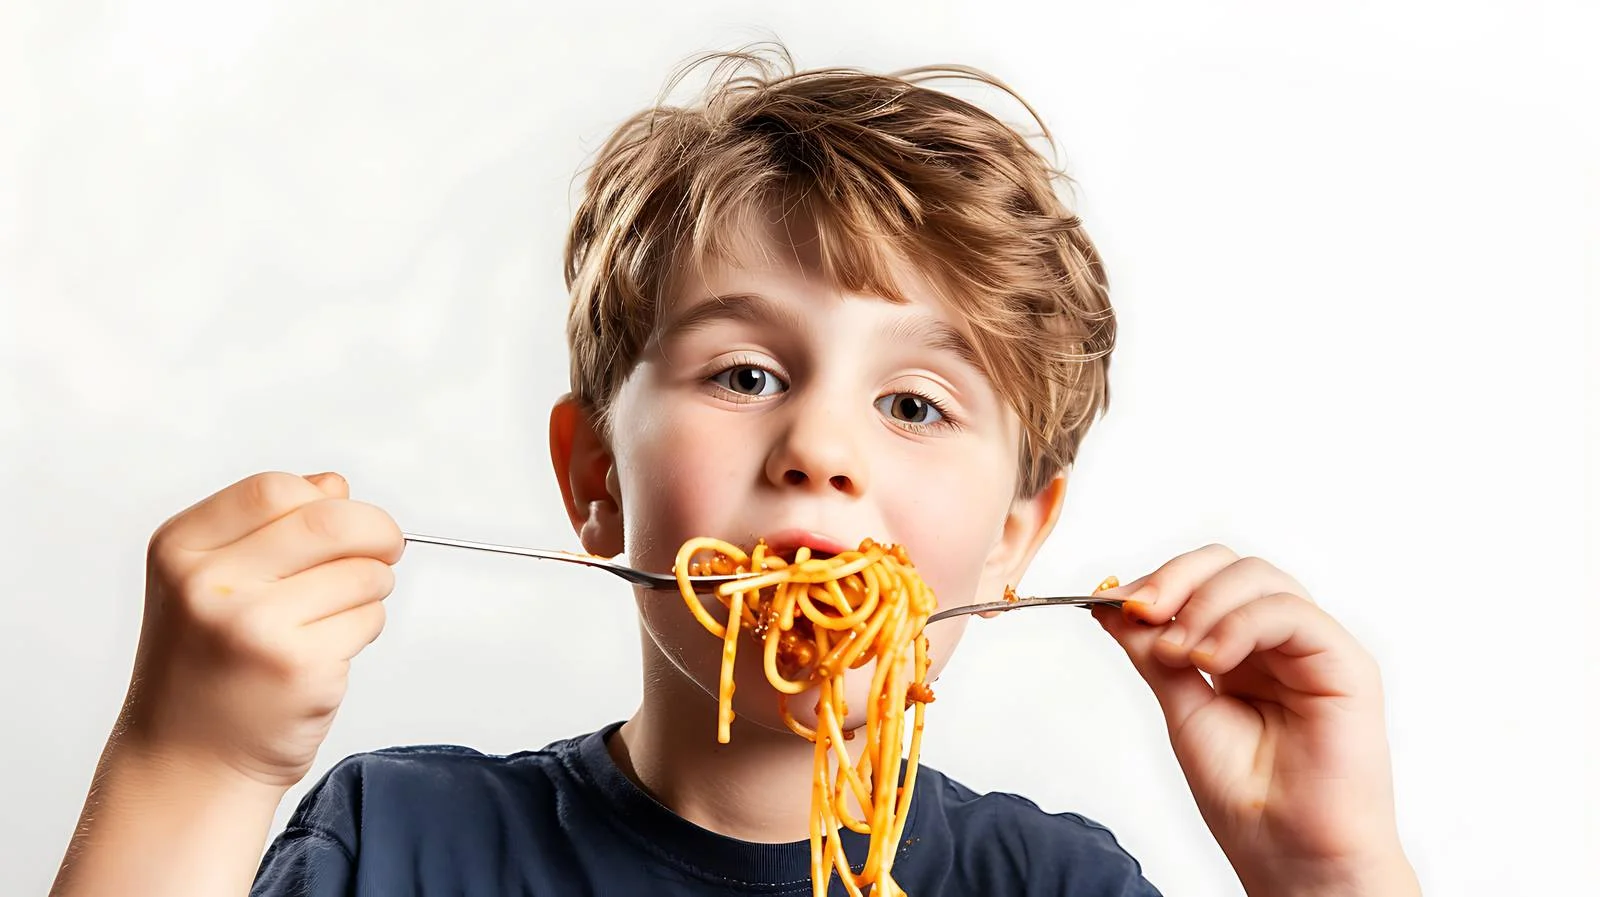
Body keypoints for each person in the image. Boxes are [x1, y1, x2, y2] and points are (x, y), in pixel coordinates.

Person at [49, 48, 1419, 896]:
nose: (819, 450)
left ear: (1015, 544)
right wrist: (198, 763)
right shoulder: (402, 843)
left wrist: (1332, 874)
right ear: (592, 481)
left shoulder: (1049, 885)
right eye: (745, 375)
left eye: (915, 403)